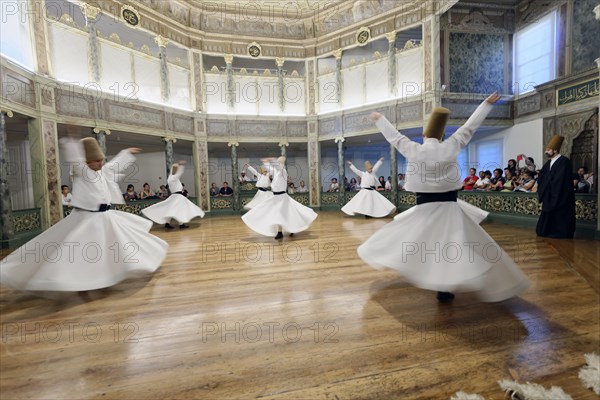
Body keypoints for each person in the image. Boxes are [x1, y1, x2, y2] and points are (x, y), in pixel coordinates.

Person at [359, 93, 530, 303]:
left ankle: (435, 280)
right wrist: (486, 104)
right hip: (450, 208)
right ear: (441, 136)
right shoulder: (451, 146)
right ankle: (446, 287)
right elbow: (469, 127)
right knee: (453, 246)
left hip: (424, 210)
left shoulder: (413, 149)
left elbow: (394, 137)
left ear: (423, 134)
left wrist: (380, 119)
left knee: (423, 245)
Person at [0, 137, 168, 292]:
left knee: (118, 245)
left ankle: (108, 274)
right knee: (78, 251)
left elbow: (114, 165)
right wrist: (72, 140)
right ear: (87, 161)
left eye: (102, 160)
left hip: (104, 217)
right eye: (97, 160)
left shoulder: (103, 171)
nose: (101, 163)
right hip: (85, 219)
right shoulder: (80, 172)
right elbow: (76, 159)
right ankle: (77, 279)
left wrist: (126, 153)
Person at [242, 156, 317, 239]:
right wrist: (265, 162)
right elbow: (270, 169)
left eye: (279, 163)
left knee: (282, 214)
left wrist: (271, 159)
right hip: (276, 197)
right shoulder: (276, 172)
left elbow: (278, 166)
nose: (277, 164)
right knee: (277, 213)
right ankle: (284, 231)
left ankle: (283, 231)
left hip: (282, 197)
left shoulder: (283, 171)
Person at [142, 161, 205, 230]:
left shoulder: (171, 178)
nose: (176, 170)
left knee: (171, 210)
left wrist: (178, 166)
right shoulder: (173, 178)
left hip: (175, 196)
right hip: (177, 196)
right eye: (175, 169)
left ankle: (168, 223)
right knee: (178, 210)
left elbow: (177, 173)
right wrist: (181, 166)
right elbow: (179, 173)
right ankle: (181, 224)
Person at [536, 135, 576, 238]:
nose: (546, 152)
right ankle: (546, 231)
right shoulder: (549, 162)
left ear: (555, 150)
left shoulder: (564, 161)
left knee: (559, 214)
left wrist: (549, 184)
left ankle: (559, 232)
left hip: (560, 194)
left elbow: (561, 179)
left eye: (548, 150)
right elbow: (542, 176)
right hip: (549, 193)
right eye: (546, 149)